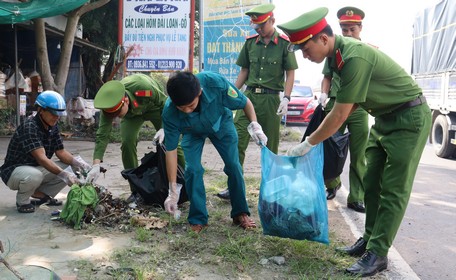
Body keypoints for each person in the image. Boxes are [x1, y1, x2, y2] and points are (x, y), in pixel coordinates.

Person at [277, 7, 431, 277]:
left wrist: (307, 144)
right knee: (371, 183)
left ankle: (379, 253)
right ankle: (370, 240)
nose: (304, 55)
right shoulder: (338, 57)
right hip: (384, 118)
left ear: (323, 39)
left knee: (393, 190)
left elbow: (339, 115)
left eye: (305, 48)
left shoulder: (354, 56)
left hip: (409, 119)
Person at [162, 71, 267, 233]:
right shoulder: (169, 111)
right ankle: (198, 218)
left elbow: (245, 102)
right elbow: (171, 151)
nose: (187, 111)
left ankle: (240, 212)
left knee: (234, 165)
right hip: (192, 132)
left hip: (221, 124)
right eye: (181, 108)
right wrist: (172, 189)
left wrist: (255, 124)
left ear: (200, 93)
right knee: (192, 170)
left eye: (191, 105)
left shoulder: (215, 84)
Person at [217, 3, 298, 200]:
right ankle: (234, 186)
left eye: (262, 24)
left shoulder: (285, 44)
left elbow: (290, 73)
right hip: (249, 98)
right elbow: (244, 71)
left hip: (271, 100)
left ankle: (269, 189)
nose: (258, 29)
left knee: (269, 148)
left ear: (272, 21)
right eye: (256, 25)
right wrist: (232, 94)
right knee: (236, 141)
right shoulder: (251, 42)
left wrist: (286, 98)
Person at [93, 74, 185, 202]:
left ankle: (188, 178)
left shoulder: (142, 87)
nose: (117, 118)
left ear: (125, 101)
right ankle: (136, 191)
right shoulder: (109, 107)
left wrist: (164, 127)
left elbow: (165, 103)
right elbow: (102, 134)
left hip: (155, 108)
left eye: (118, 114)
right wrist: (96, 164)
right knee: (127, 143)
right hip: (132, 116)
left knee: (170, 140)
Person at [0, 91, 91, 213]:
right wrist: (64, 175)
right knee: (38, 175)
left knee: (71, 167)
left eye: (58, 114)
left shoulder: (53, 126)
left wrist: (79, 163)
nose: (57, 117)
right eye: (53, 114)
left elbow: (61, 152)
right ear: (41, 110)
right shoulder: (30, 127)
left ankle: (42, 195)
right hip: (15, 171)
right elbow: (42, 159)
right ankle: (22, 201)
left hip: (35, 168)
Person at [319, 6, 370, 213]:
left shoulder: (367, 51)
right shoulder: (333, 52)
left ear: (360, 28)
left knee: (359, 154)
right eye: (344, 30)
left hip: (359, 108)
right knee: (331, 150)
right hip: (335, 105)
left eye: (352, 30)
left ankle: (356, 196)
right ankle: (332, 185)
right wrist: (323, 94)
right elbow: (327, 77)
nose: (348, 34)